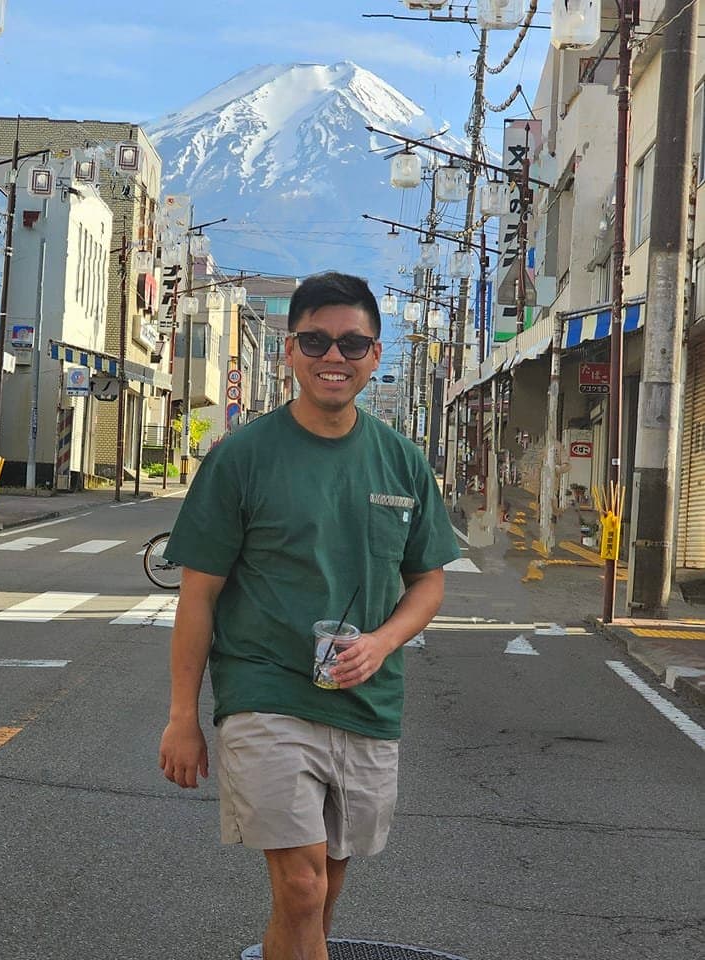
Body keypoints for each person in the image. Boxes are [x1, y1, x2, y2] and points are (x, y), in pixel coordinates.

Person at [158, 271, 460, 960]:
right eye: (316, 341)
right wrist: (183, 716)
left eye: (352, 344)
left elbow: (428, 584)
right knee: (299, 886)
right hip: (265, 692)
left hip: (365, 701)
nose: (334, 356)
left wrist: (382, 643)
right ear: (288, 351)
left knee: (317, 896)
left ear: (375, 356)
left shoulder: (402, 462)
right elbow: (198, 595)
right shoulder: (240, 457)